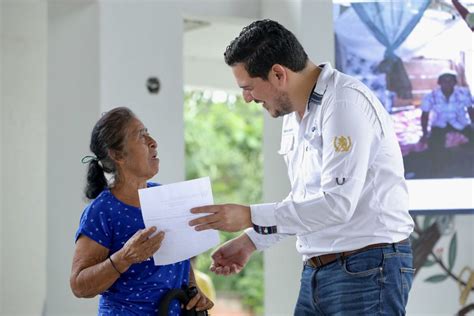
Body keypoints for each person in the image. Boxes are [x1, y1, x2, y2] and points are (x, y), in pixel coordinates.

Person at [189, 19, 415, 315]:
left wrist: (249, 215)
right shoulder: (293, 116)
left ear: (278, 74)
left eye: (248, 88)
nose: (246, 98)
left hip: (367, 269)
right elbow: (306, 202)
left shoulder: (344, 103)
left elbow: (337, 205)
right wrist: (252, 240)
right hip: (318, 271)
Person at [70, 107, 213, 315]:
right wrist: (125, 258)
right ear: (118, 154)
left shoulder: (163, 195)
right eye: (141, 136)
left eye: (148, 132)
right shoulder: (102, 211)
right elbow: (79, 285)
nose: (153, 141)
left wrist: (193, 289)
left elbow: (179, 259)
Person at [420, 69, 474, 152]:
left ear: (455, 82)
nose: (448, 83)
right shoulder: (431, 96)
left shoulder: (464, 93)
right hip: (439, 124)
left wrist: (473, 124)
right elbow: (425, 115)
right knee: (434, 144)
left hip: (460, 122)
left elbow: (470, 110)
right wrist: (425, 133)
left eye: (450, 81)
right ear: (439, 83)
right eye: (444, 81)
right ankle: (440, 162)